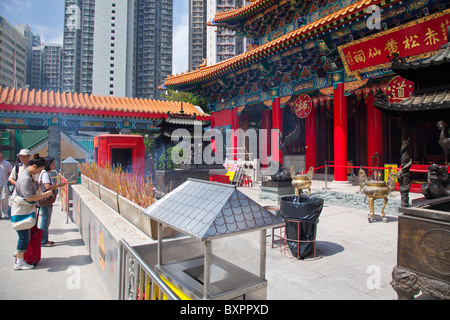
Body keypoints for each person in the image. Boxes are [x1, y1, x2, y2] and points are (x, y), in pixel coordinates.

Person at [11, 155, 52, 270]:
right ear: (34, 166)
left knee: (24, 236)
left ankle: (20, 258)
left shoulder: (26, 174)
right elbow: (29, 198)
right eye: (38, 170)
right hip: (22, 212)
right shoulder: (25, 178)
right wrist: (44, 195)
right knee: (23, 237)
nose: (38, 172)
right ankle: (19, 262)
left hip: (23, 211)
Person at [38, 157, 66, 247]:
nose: (54, 165)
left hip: (46, 200)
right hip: (46, 200)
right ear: (48, 164)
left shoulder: (45, 173)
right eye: (53, 163)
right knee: (45, 220)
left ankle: (44, 239)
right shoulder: (45, 174)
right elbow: (47, 187)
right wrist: (58, 185)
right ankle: (43, 241)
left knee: (46, 220)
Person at [0, 151, 13, 219]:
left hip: (4, 184)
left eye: (0, 153)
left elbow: (11, 173)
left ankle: (5, 213)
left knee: (4, 199)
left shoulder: (7, 163)